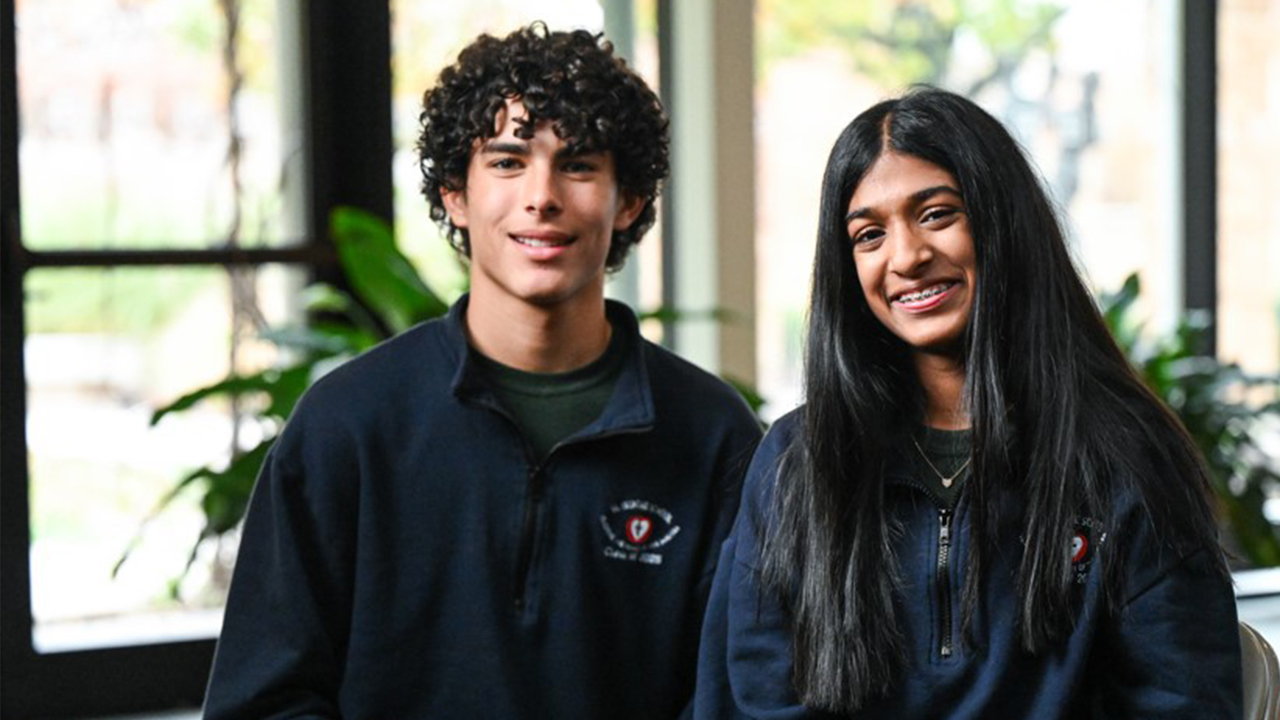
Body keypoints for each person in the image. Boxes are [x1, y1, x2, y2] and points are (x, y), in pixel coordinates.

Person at [203, 23, 761, 719]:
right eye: (506, 162)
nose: (541, 196)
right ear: (454, 197)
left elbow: (737, 698)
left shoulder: (714, 437)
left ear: (631, 202)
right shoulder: (347, 423)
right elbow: (263, 700)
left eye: (579, 164)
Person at [694, 87, 1241, 719]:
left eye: (936, 215)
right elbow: (753, 700)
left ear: (1001, 221)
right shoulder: (797, 464)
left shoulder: (1124, 458)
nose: (906, 257)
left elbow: (1186, 701)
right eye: (869, 234)